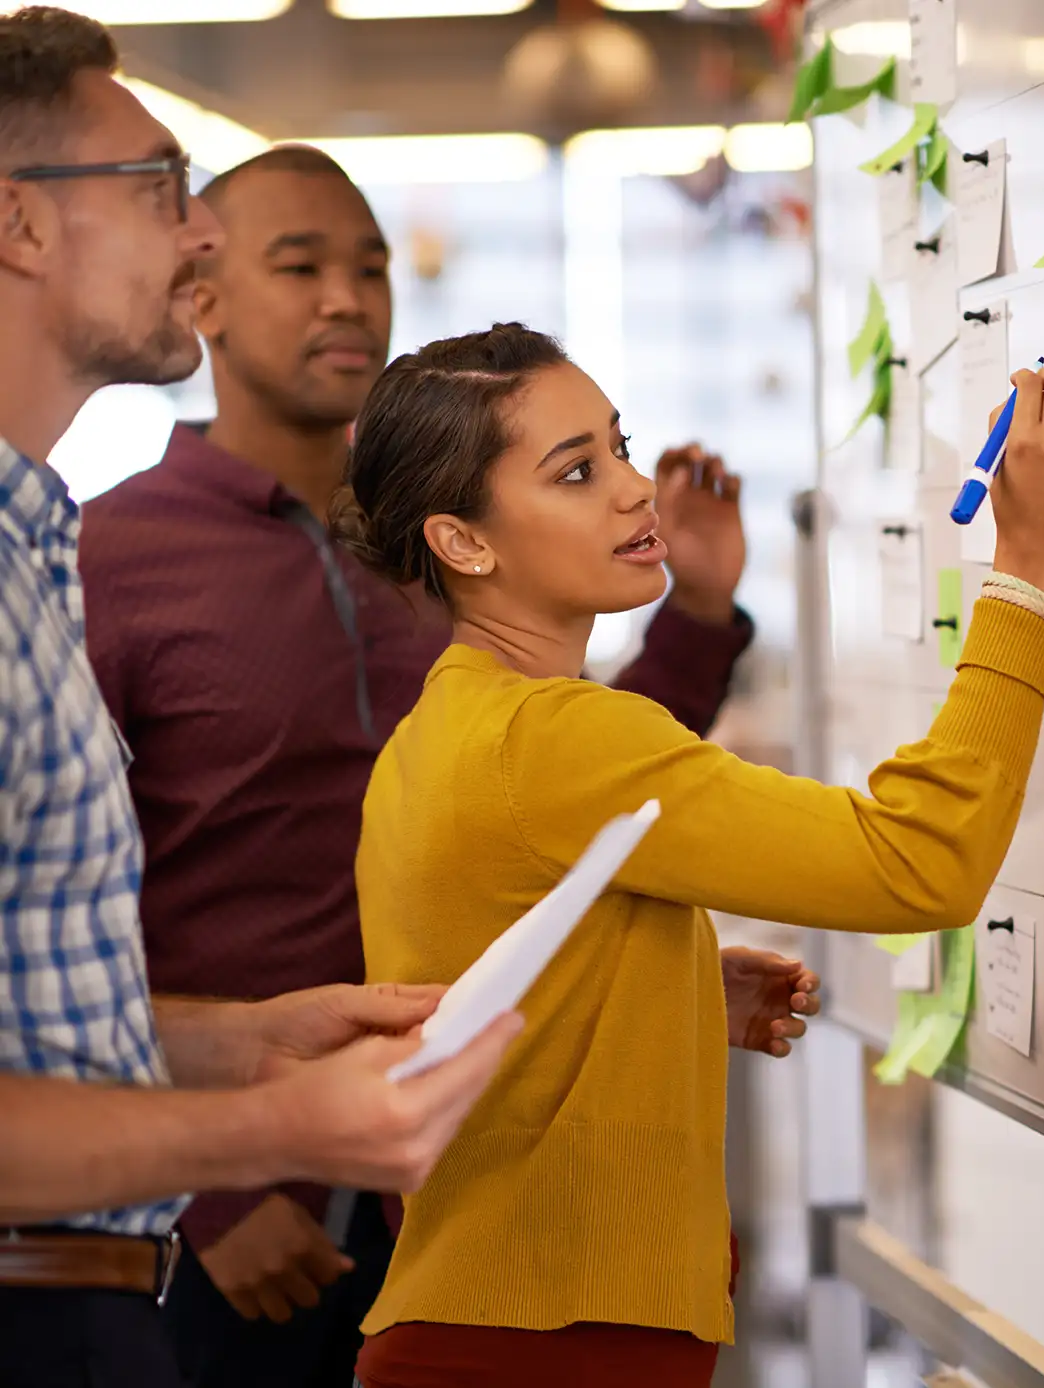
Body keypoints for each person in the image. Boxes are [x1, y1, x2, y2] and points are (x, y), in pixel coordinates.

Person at [74, 140, 803, 1385]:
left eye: (368, 264)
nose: (348, 296)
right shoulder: (113, 553)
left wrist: (696, 615)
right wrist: (206, 1183)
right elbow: (66, 902)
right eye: (298, 265)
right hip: (243, 1206)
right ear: (200, 297)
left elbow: (589, 793)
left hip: (473, 1191)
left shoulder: (447, 544)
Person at [329, 322, 1044, 1388]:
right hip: (545, 1348)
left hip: (492, 1327)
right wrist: (1029, 570)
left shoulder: (447, 727)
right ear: (463, 542)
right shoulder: (560, 736)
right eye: (578, 470)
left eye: (620, 445)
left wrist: (663, 985)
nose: (637, 489)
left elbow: (481, 989)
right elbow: (920, 860)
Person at [0, 11, 521, 1386]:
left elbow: (43, 998)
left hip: (127, 1282)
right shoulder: (95, 552)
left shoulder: (30, 550)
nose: (193, 240)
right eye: (162, 190)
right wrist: (258, 1149)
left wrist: (248, 1046)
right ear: (21, 225)